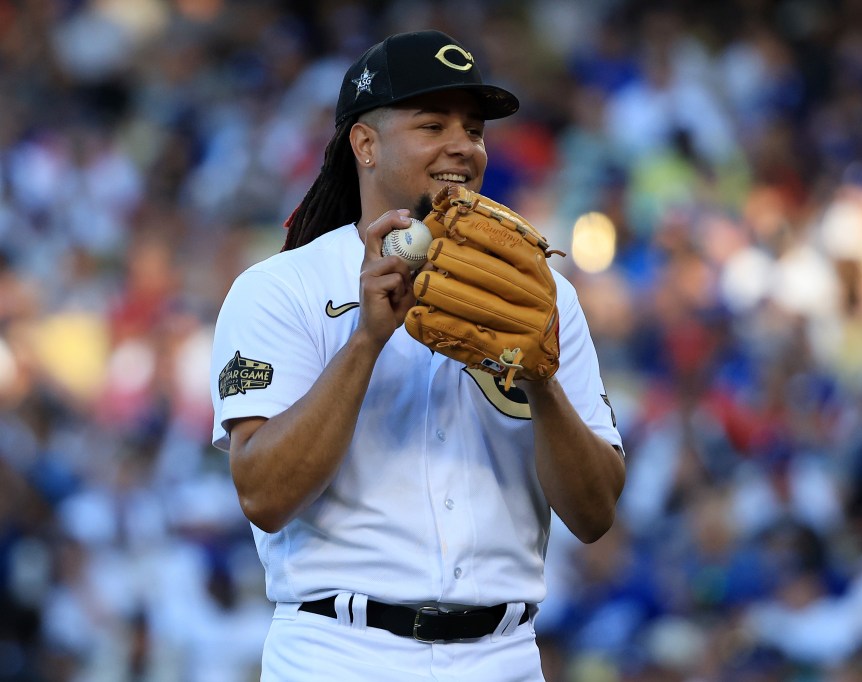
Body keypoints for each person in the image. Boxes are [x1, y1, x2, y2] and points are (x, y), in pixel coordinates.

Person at [209, 29, 625, 681]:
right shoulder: (281, 288)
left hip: (503, 654)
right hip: (341, 652)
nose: (463, 144)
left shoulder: (542, 296)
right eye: (432, 124)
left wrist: (543, 385)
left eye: (474, 128)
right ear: (365, 143)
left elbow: (595, 514)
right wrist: (367, 341)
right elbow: (262, 493)